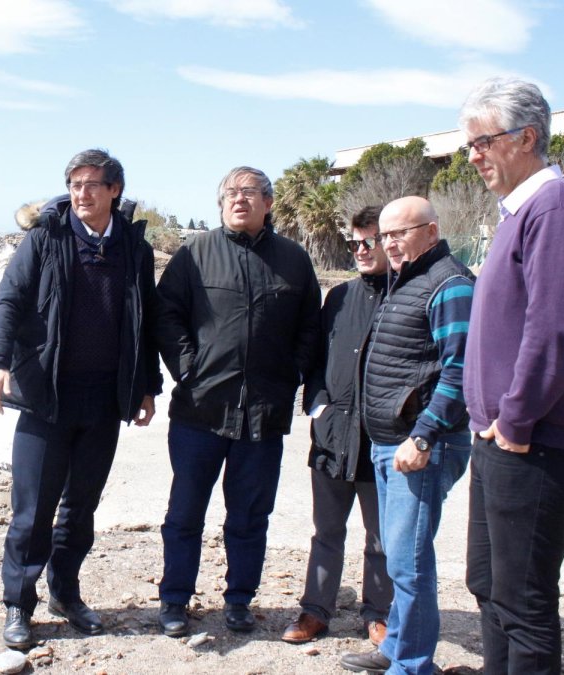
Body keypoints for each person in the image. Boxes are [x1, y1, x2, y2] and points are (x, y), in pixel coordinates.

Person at [0, 148, 163, 651]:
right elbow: (10, 300)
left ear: (114, 190)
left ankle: (65, 592)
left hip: (104, 399)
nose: (81, 193)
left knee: (80, 510)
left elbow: (145, 321)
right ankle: (19, 604)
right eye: (74, 184)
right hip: (47, 397)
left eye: (91, 184)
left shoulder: (134, 247)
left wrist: (148, 385)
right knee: (32, 511)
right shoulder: (46, 237)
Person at [460, 77, 564, 675]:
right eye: (470, 145)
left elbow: (553, 331)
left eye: (483, 142)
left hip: (533, 444)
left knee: (523, 603)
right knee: (488, 584)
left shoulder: (558, 209)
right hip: (500, 439)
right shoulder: (521, 213)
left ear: (526, 137)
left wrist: (515, 421)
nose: (473, 157)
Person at [154, 166, 320, 638]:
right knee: (184, 513)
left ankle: (239, 599)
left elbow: (310, 325)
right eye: (230, 192)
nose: (239, 199)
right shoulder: (195, 254)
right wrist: (188, 368)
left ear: (269, 203)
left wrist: (292, 373)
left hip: (264, 415)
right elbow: (165, 314)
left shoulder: (294, 259)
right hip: (200, 410)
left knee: (249, 516)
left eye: (249, 192)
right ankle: (174, 599)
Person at [340, 196, 473, 675]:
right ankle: (397, 648)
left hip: (421, 446)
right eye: (385, 235)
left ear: (431, 232)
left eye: (401, 233)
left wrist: (423, 436)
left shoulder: (450, 284)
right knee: (399, 556)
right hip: (390, 443)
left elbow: (461, 371)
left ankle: (412, 665)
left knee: (409, 561)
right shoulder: (408, 280)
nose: (390, 244)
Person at [282, 207, 392, 647]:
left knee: (382, 539)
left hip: (382, 442)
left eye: (369, 242)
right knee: (326, 532)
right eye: (354, 243)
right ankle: (315, 611)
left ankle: (379, 615)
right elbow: (315, 359)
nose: (360, 251)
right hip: (332, 439)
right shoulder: (339, 297)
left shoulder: (409, 295)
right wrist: (318, 405)